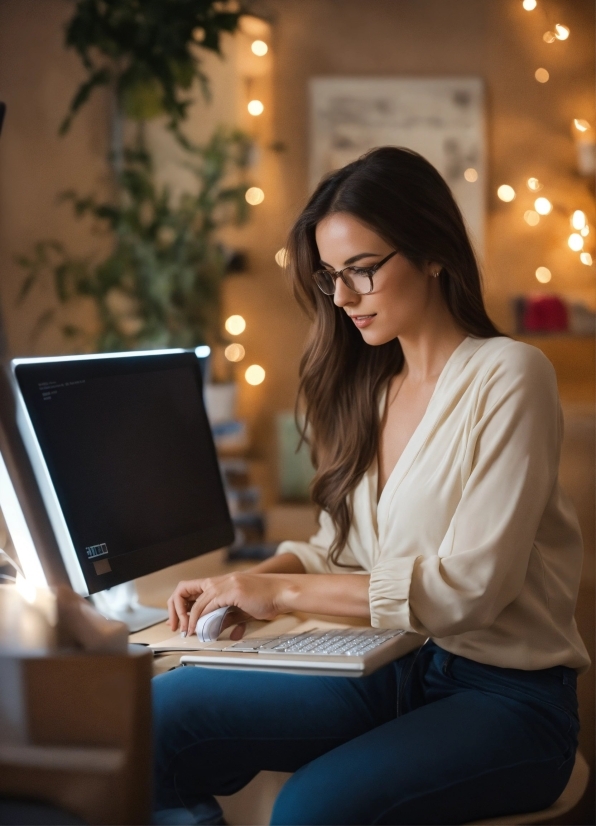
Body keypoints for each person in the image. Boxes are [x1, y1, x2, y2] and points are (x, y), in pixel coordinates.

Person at [152, 147, 590, 826]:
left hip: (509, 700)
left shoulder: (510, 375)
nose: (343, 297)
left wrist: (280, 591)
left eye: (362, 271)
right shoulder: (373, 389)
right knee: (160, 715)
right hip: (397, 667)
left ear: (433, 252)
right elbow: (340, 547)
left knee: (307, 811)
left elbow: (472, 589)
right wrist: (240, 588)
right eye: (331, 276)